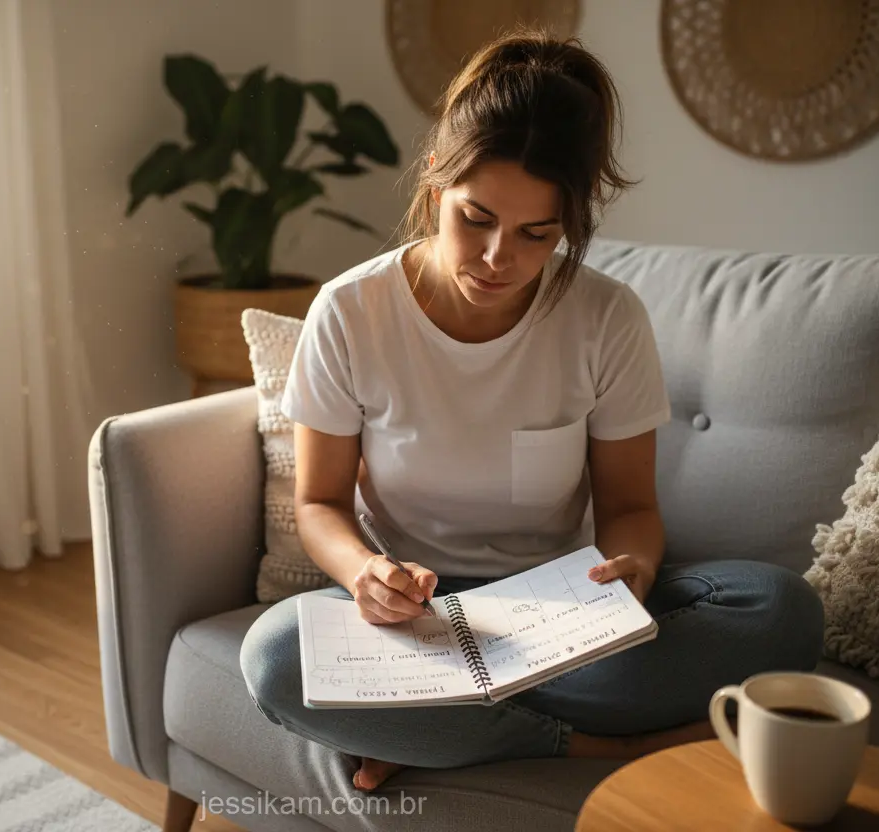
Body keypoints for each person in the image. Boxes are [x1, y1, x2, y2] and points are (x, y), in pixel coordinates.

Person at [238, 29, 825, 793]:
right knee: (274, 658)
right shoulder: (350, 311)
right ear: (434, 181)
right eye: (475, 218)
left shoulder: (606, 319)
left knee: (779, 608)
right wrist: (365, 574)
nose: (496, 258)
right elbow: (319, 503)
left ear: (570, 224)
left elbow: (629, 507)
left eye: (535, 234)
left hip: (563, 617)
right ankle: (593, 746)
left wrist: (634, 570)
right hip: (419, 622)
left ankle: (443, 729)